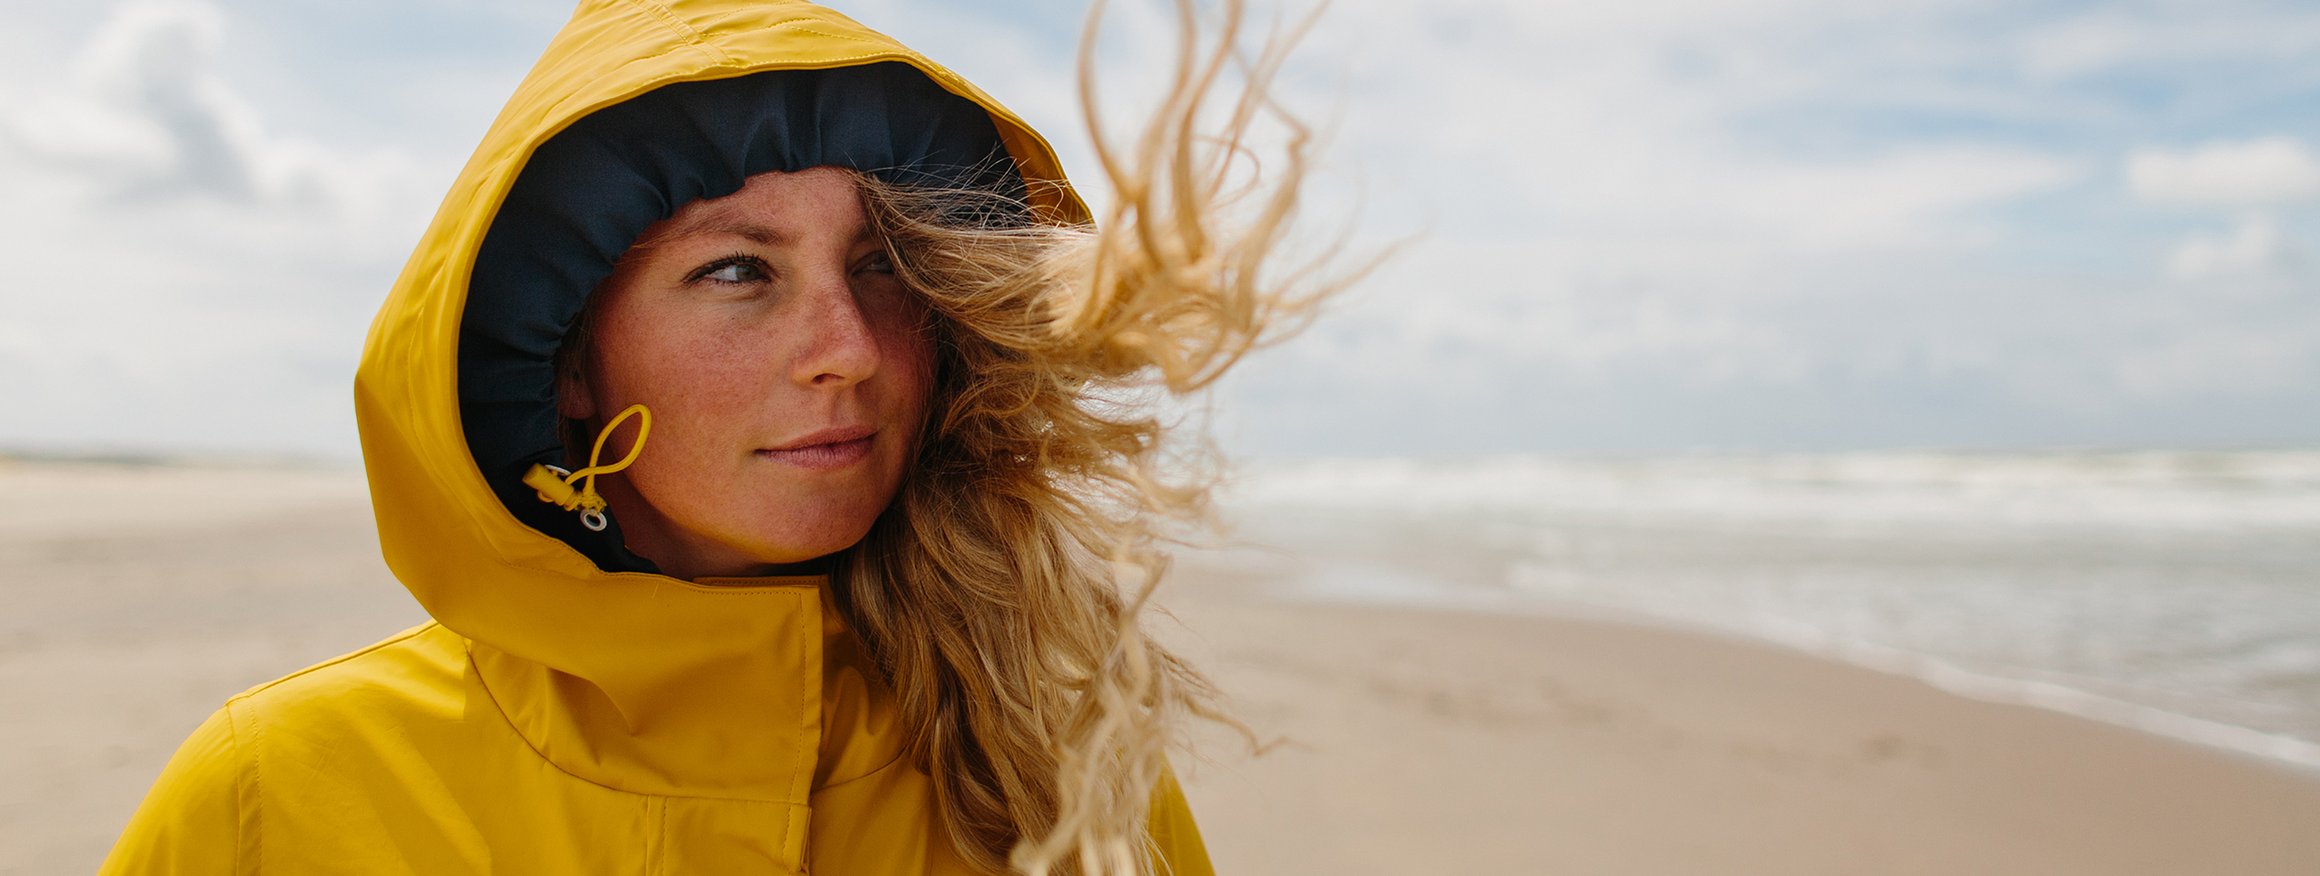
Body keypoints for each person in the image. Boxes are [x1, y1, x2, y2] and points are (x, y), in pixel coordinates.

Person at [101, 0, 1334, 873]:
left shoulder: (1049, 767)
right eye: (739, 270)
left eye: (882, 269)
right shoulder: (283, 790)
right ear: (566, 358)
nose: (846, 344)